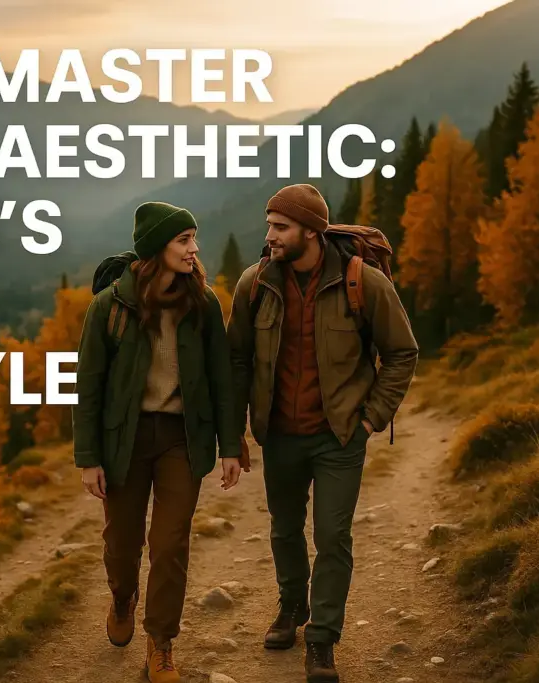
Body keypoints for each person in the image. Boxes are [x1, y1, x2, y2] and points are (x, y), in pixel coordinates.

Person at [226, 184, 419, 683]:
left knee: (333, 537)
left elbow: (402, 352)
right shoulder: (255, 283)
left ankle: (322, 639)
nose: (269, 236)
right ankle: (293, 607)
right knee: (285, 530)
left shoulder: (363, 282)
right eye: (269, 224)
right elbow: (236, 361)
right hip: (280, 435)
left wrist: (372, 417)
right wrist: (236, 434)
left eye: (280, 227)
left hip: (338, 437)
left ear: (311, 231)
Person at [72, 200, 249, 683]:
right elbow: (88, 386)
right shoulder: (109, 307)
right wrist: (88, 458)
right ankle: (121, 596)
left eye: (193, 239)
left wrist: (231, 445)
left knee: (170, 544)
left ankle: (161, 643)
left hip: (181, 440)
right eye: (183, 240)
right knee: (122, 545)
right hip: (123, 441)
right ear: (156, 249)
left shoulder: (204, 304)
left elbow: (221, 378)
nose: (194, 249)